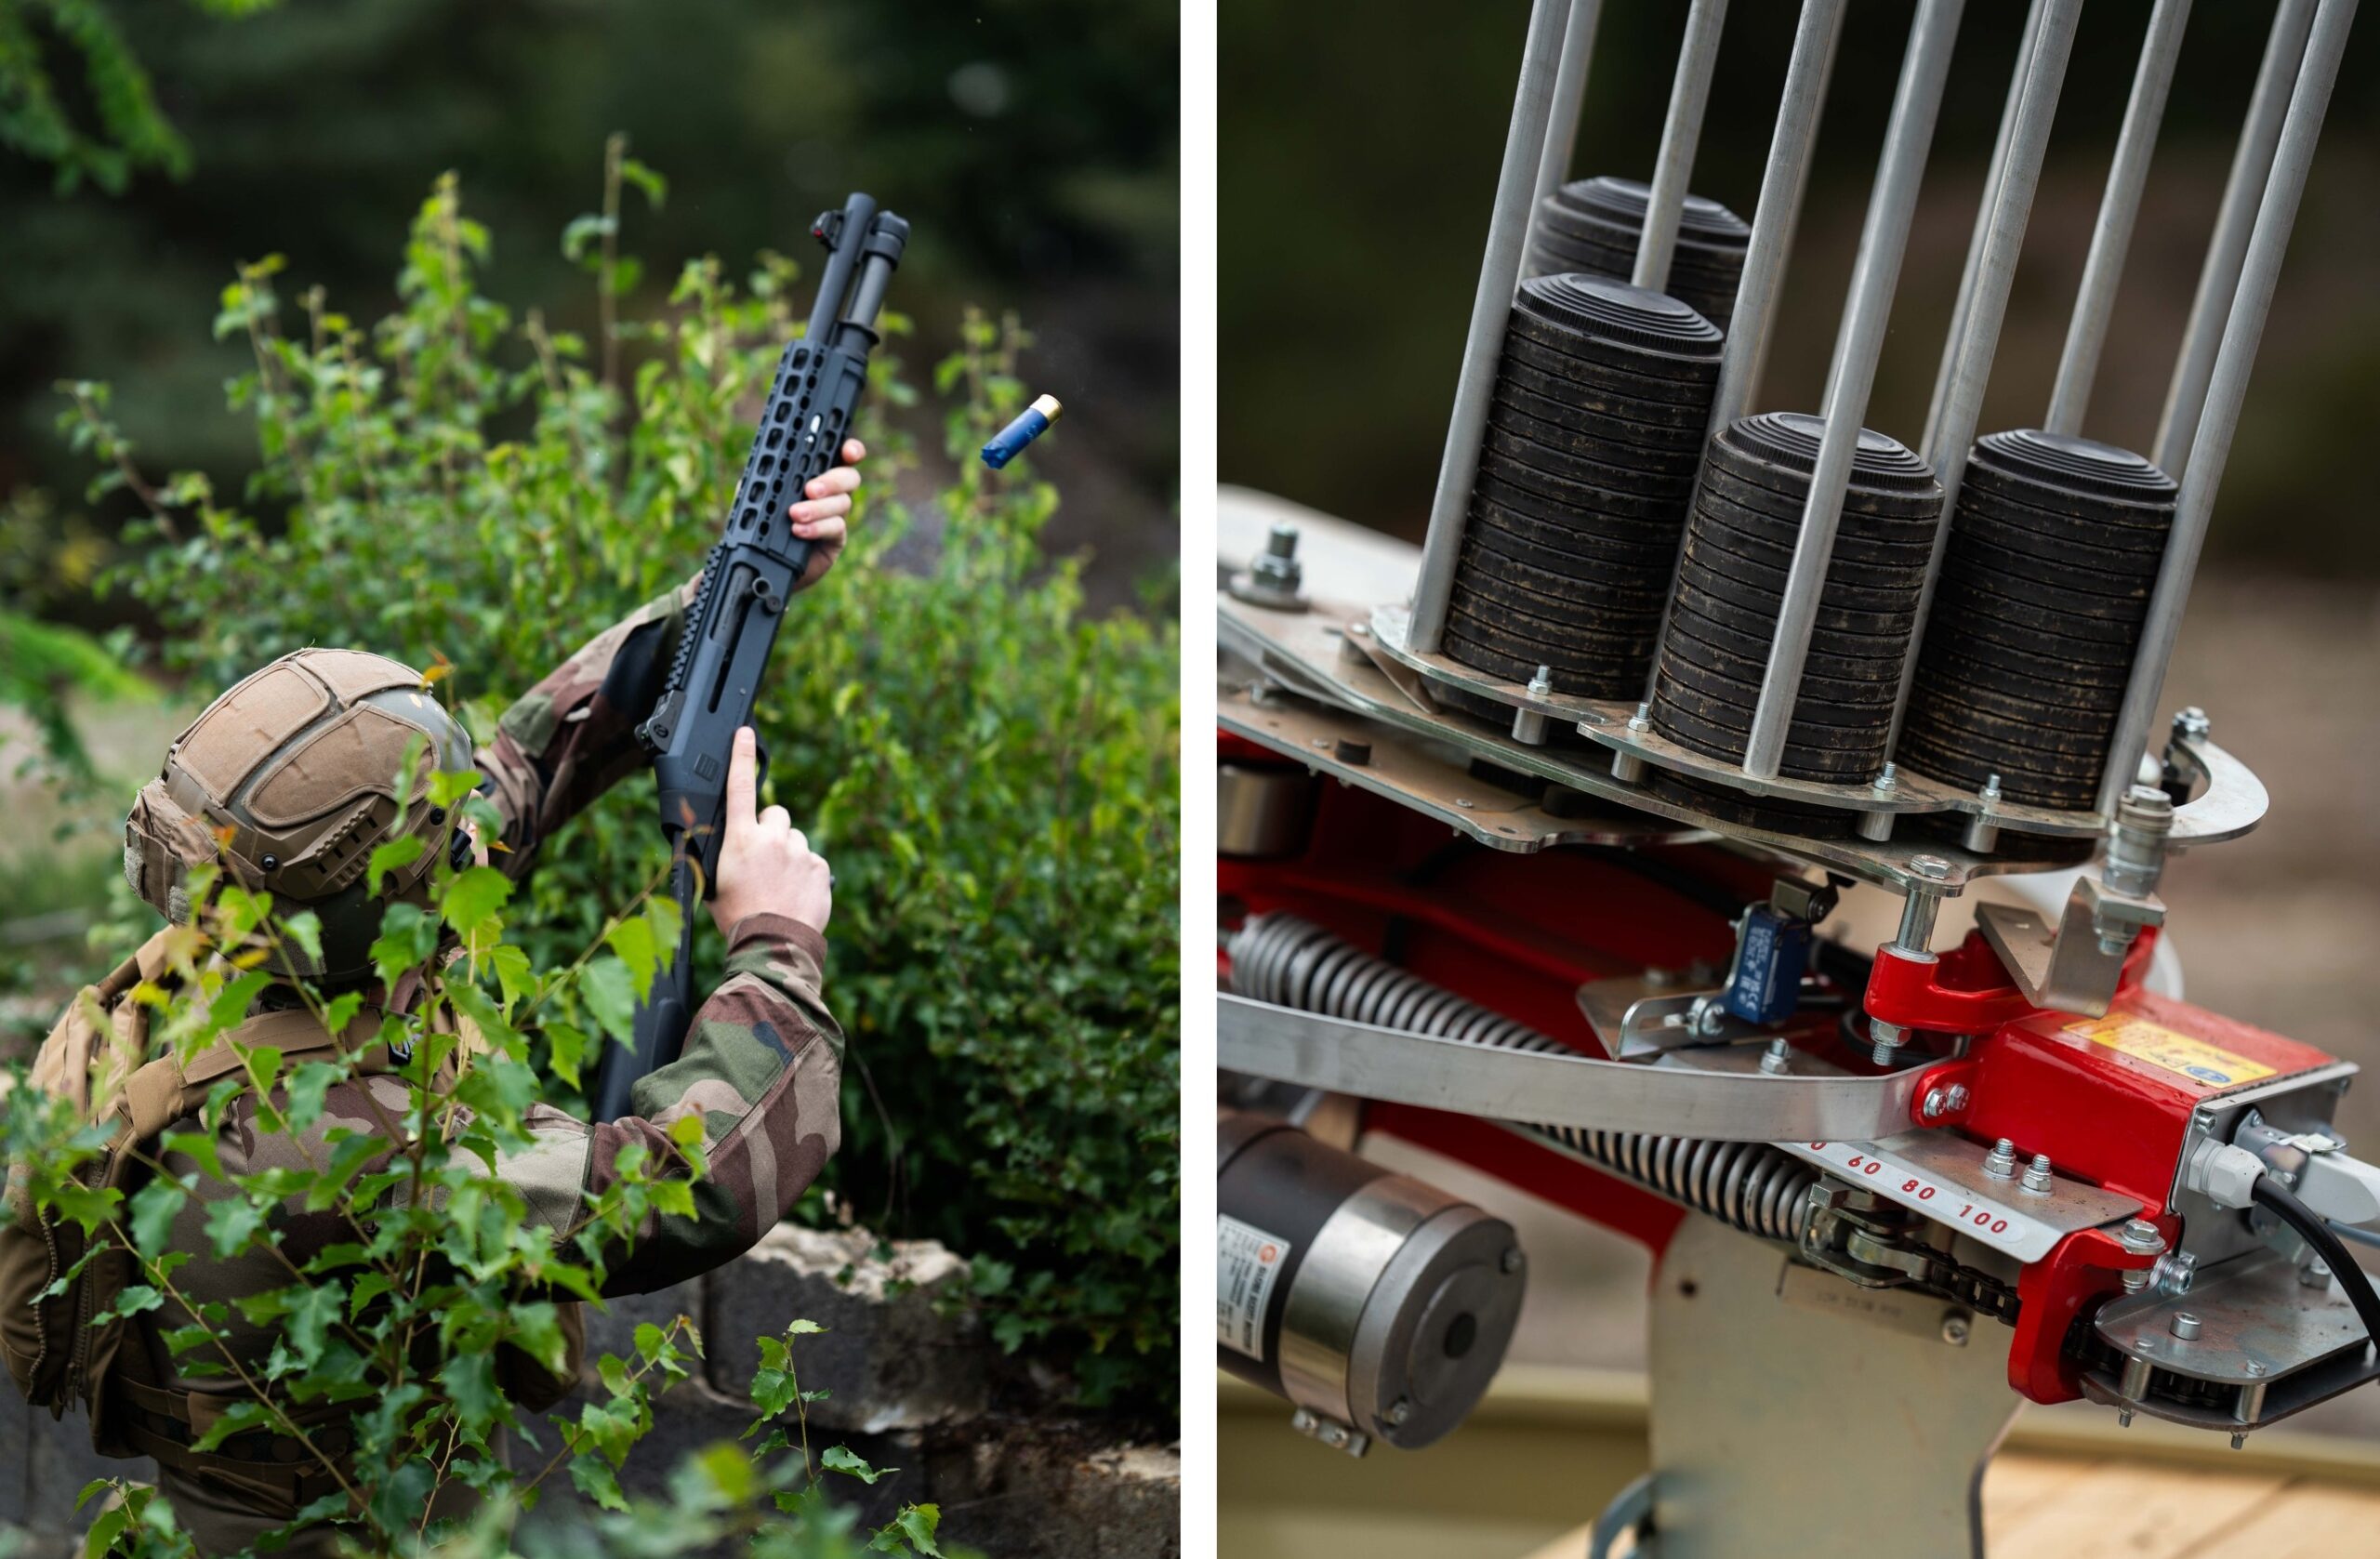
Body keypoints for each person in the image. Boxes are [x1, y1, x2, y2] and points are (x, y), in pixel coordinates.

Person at [34, 445, 867, 1552]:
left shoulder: (219, 950)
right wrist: (775, 943)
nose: (470, 818)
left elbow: (516, 768)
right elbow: (683, 1185)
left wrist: (731, 590)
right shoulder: (348, 1144)